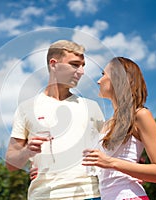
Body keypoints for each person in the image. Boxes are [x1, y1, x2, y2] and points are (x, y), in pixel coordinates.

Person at [6, 40, 105, 199]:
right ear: (54, 64)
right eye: (75, 65)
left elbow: (110, 152)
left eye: (83, 65)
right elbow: (11, 163)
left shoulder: (92, 107)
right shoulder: (26, 108)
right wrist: (26, 152)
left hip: (90, 194)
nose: (81, 72)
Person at [82, 57, 156, 200]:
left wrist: (111, 163)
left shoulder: (140, 115)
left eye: (103, 75)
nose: (99, 81)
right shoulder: (107, 125)